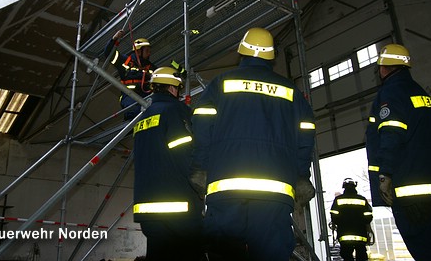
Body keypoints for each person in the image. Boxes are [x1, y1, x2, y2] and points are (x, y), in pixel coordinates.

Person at [190, 27, 317, 261]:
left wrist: (201, 167)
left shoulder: (221, 84)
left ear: (242, 52)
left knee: (224, 251)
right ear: (272, 56)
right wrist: (300, 174)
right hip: (274, 193)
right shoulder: (290, 91)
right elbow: (306, 133)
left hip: (226, 189)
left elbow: (201, 128)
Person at [365, 43, 431, 260]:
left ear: (384, 69)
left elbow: (391, 134)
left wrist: (385, 174)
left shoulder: (391, 93)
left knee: (427, 253)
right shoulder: (420, 93)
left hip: (411, 194)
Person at [132, 67, 205, 261]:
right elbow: (186, 155)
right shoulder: (175, 111)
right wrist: (203, 187)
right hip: (179, 210)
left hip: (147, 211)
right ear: (173, 89)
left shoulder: (142, 119)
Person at [103, 30, 156, 120]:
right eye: (147, 50)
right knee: (134, 111)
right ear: (138, 51)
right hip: (130, 96)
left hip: (146, 96)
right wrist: (114, 39)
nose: (149, 53)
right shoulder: (125, 61)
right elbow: (108, 53)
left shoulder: (151, 67)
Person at [329, 178, 373, 261]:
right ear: (354, 186)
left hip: (344, 233)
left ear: (344, 187)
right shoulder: (362, 199)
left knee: (346, 255)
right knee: (361, 255)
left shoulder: (338, 200)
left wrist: (339, 223)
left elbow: (334, 215)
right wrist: (364, 223)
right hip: (360, 233)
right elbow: (368, 215)